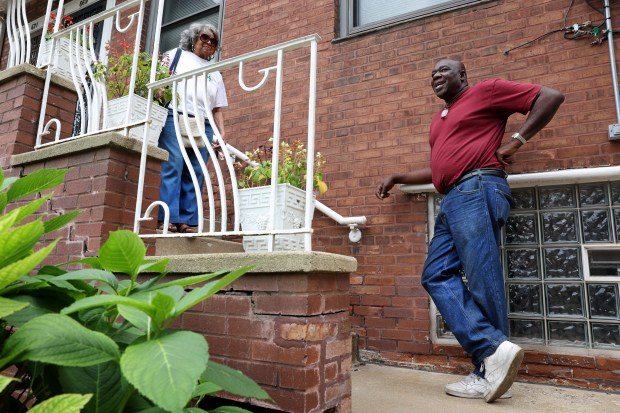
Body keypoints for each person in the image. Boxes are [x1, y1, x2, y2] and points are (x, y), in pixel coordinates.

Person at [376, 59, 564, 402]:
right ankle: (492, 352)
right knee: (434, 275)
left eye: (443, 70)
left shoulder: (485, 91)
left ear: (463, 75)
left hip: (477, 188)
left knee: (482, 278)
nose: (435, 75)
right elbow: (440, 169)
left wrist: (517, 140)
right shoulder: (440, 120)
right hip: (452, 198)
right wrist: (400, 176)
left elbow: (550, 96)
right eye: (431, 72)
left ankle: (486, 369)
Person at [157, 23, 228, 233]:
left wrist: (222, 133)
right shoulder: (176, 55)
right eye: (205, 37)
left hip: (203, 123)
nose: (209, 42)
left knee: (196, 170)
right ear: (194, 37)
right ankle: (168, 217)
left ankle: (188, 221)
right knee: (174, 164)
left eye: (213, 41)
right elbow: (159, 80)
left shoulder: (215, 72)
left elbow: (217, 109)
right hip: (174, 115)